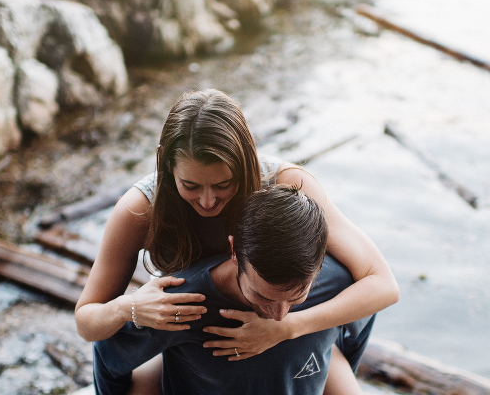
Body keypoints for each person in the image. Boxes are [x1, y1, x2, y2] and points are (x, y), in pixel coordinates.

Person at [75, 89, 399, 394]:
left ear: (246, 161)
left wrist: (287, 329)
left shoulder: (288, 186)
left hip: (290, 329)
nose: (207, 201)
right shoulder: (138, 211)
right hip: (194, 338)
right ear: (165, 162)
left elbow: (382, 284)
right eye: (189, 185)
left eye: (223, 184)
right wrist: (128, 307)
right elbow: (88, 323)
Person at [93, 185, 375, 395]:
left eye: (296, 297)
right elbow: (108, 353)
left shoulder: (340, 283)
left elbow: (361, 322)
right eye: (262, 296)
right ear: (234, 254)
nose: (279, 315)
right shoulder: (181, 301)